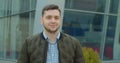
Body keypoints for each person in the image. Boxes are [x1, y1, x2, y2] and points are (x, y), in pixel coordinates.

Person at [17, 4, 85, 63]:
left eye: (56, 18)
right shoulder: (29, 43)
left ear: (60, 20)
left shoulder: (74, 43)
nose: (53, 21)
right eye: (49, 17)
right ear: (41, 20)